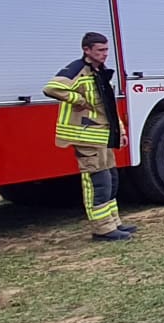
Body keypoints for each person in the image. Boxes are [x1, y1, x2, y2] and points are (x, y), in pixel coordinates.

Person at [44, 31, 132, 242]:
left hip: (103, 134)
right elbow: (51, 88)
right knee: (97, 182)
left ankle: (113, 223)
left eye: (106, 49)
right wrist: (78, 99)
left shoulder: (99, 71)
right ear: (87, 50)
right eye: (100, 50)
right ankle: (102, 229)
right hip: (85, 136)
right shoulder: (76, 70)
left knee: (111, 178)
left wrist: (121, 131)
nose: (105, 54)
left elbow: (107, 107)